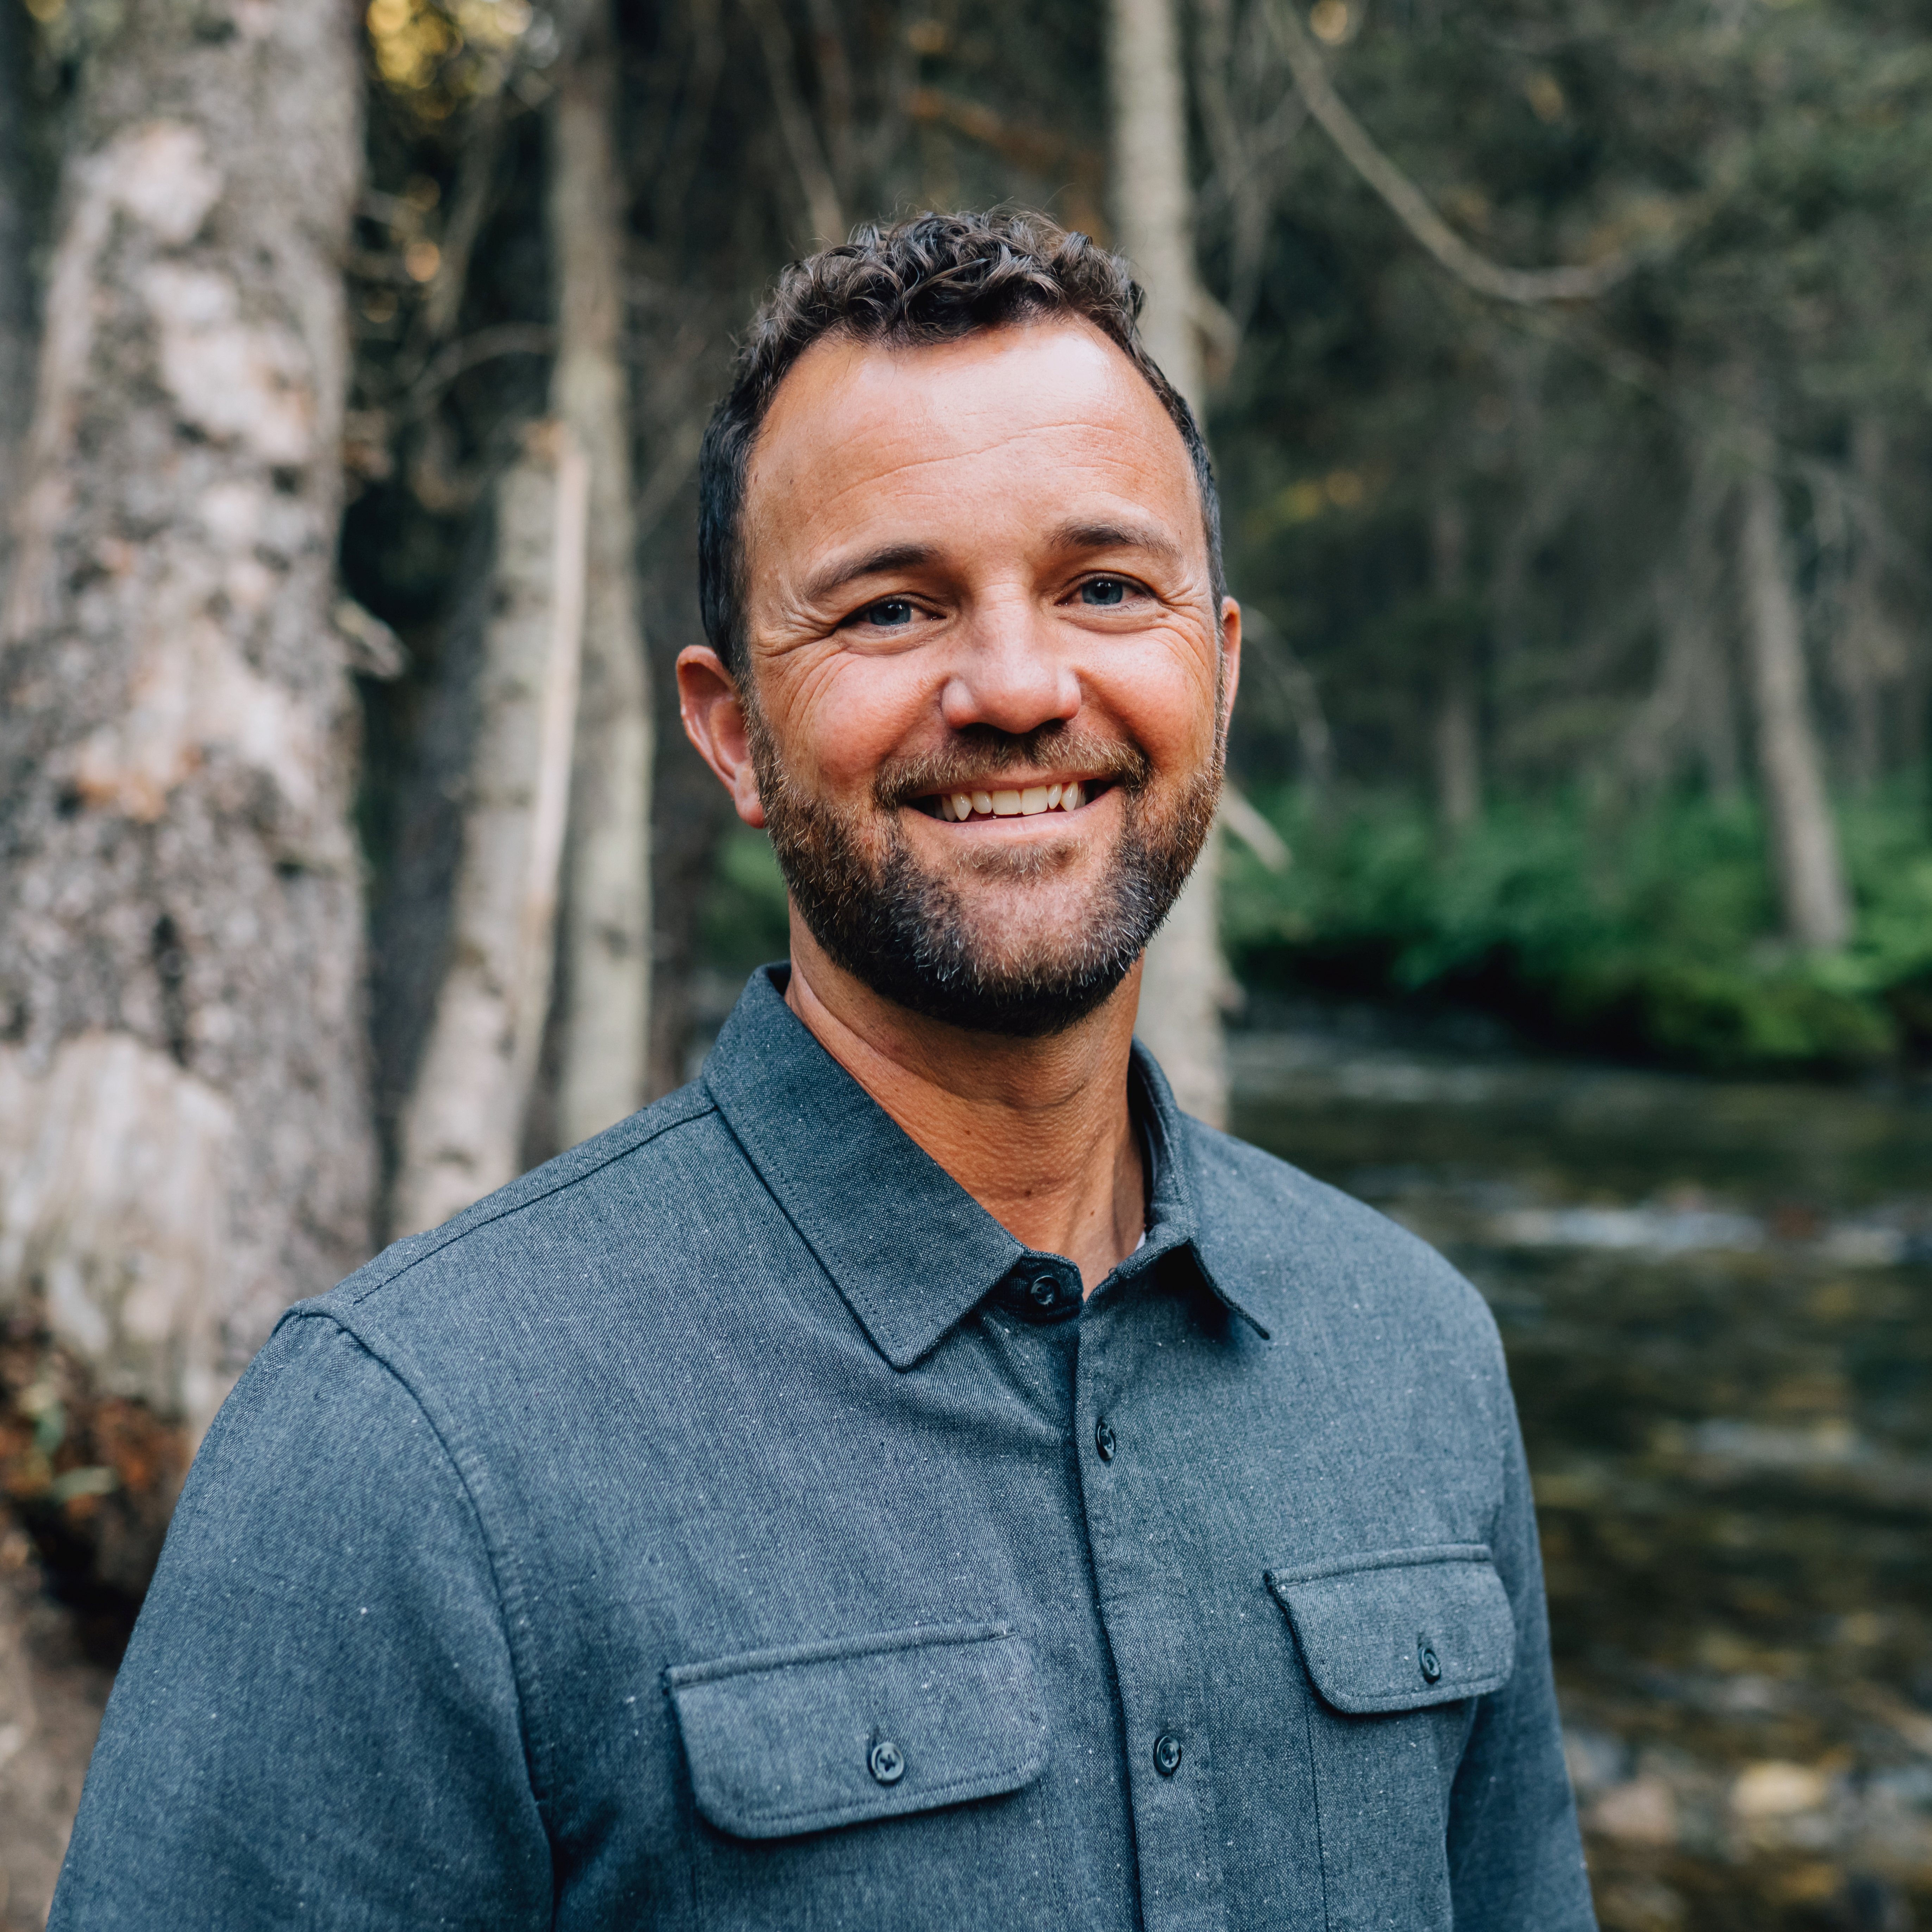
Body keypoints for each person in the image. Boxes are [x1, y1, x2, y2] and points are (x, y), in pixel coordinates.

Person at [53, 212, 1594, 1930]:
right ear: (733, 732)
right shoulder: (406, 1450)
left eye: (1102, 586)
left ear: (1214, 667)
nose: (1015, 685)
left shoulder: (1414, 1352)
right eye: (891, 604)